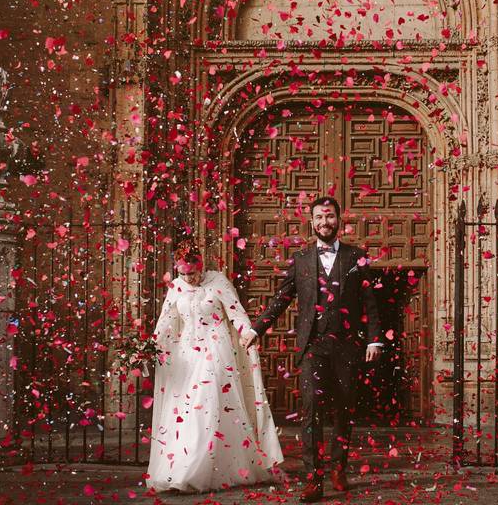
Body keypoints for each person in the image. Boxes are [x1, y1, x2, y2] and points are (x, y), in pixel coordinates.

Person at [242, 196, 383, 503]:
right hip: (313, 347)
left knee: (344, 410)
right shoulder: (302, 258)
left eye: (329, 216)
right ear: (312, 221)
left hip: (347, 347)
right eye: (319, 217)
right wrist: (256, 328)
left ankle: (338, 469)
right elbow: (282, 298)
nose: (324, 222)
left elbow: (370, 303)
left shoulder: (357, 257)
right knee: (312, 411)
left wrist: (374, 339)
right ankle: (314, 477)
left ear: (338, 219)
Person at [146, 241, 283, 493]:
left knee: (208, 403)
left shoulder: (218, 282)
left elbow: (236, 313)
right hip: (185, 355)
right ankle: (183, 466)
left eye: (193, 272)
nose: (189, 278)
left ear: (201, 265)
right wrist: (146, 347)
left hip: (216, 350)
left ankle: (194, 470)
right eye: (184, 273)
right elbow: (165, 322)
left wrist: (246, 333)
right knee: (187, 410)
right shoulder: (176, 288)